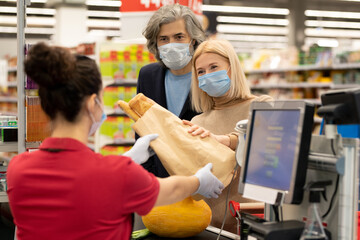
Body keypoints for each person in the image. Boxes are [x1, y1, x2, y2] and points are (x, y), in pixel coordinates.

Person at [6, 42, 224, 240]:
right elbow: (170, 190)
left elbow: (77, 181)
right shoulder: (117, 173)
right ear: (93, 104)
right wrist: (198, 180)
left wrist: (128, 157)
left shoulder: (18, 168)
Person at [183, 39, 273, 233]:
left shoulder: (262, 105)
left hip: (253, 224)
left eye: (214, 67)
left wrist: (224, 140)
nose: (207, 75)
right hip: (210, 227)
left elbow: (266, 145)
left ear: (232, 68)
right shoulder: (198, 122)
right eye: (201, 72)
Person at [137, 4, 206, 178]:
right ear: (156, 43)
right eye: (164, 39)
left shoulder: (207, 75)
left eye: (179, 37)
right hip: (158, 179)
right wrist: (150, 178)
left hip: (201, 178)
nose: (171, 44)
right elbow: (142, 131)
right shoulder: (148, 76)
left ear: (193, 40)